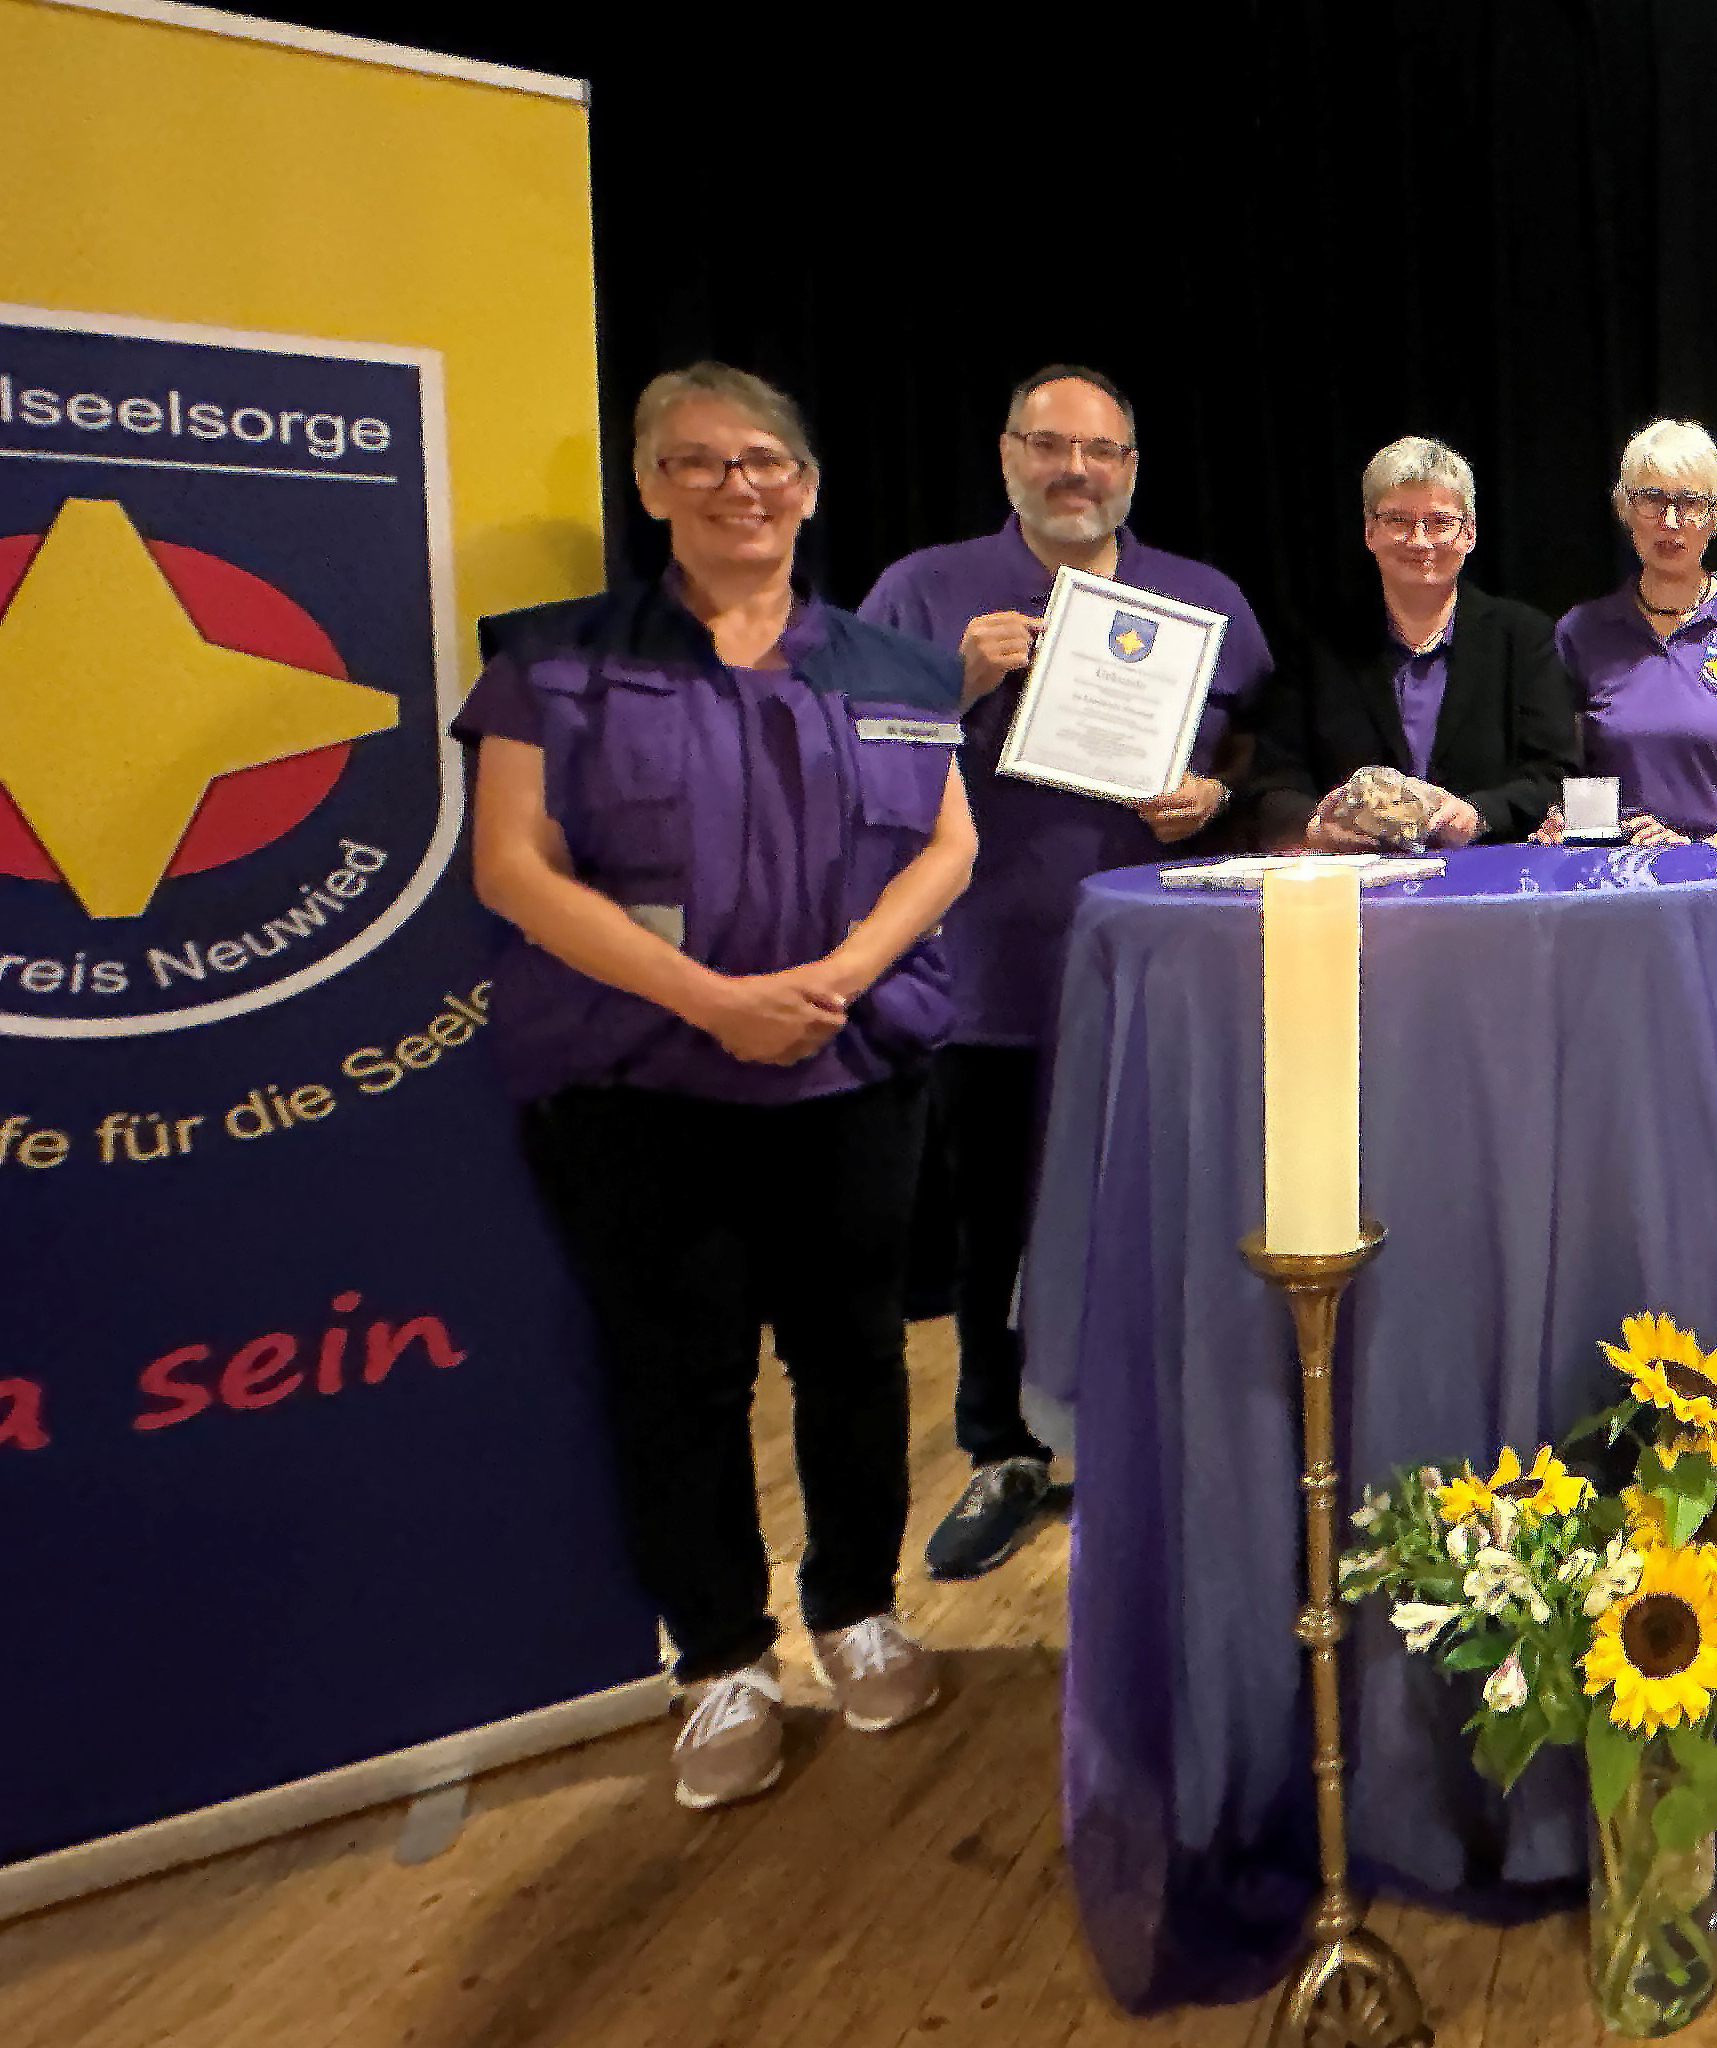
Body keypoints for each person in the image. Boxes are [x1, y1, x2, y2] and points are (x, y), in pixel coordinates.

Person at [459, 363, 975, 1810]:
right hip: (638, 1087)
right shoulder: (550, 662)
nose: (736, 486)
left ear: (807, 487)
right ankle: (723, 1661)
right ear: (648, 487)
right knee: (678, 1378)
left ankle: (858, 1612)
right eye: (698, 464)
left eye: (762, 462)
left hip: (849, 1073)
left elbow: (946, 847)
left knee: (856, 1357)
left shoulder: (895, 667)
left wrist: (838, 982)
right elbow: (512, 866)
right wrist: (714, 1004)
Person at [859, 365, 1273, 1583]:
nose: (1075, 470)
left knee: (1168, 1208)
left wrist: (1219, 793)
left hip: (1166, 971)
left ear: (1131, 468)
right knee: (997, 1223)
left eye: (1099, 452)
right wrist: (958, 679)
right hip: (992, 971)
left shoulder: (1200, 598)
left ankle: (1160, 1439)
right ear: (1007, 457)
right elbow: (842, 755)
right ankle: (1003, 1448)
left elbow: (1254, 739)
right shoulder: (924, 591)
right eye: (1050, 446)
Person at [1240, 435, 1578, 849]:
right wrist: (1316, 828)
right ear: (1369, 532)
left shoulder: (1522, 638)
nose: (1420, 541)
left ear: (1469, 535)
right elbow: (1272, 780)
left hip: (1486, 881)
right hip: (1355, 888)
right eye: (1398, 521)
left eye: (1440, 522)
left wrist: (1479, 814)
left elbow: (1554, 775)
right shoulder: (1316, 645)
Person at [1543, 419, 1717, 846]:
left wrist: (1696, 863)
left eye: (1690, 502)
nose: (1670, 520)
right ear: (1625, 510)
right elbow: (1563, 779)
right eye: (1652, 499)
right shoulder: (1580, 631)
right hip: (1612, 882)